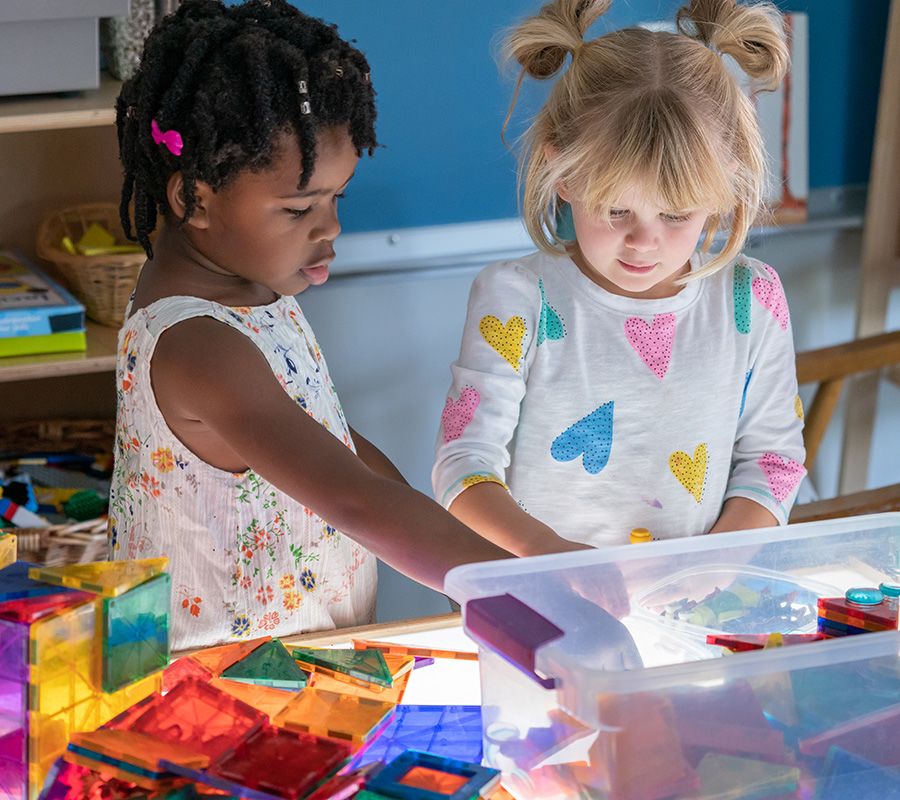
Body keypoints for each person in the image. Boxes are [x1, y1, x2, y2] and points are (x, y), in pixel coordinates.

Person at [107, 0, 515, 651]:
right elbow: (354, 500)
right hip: (221, 683)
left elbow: (333, 444)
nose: (330, 229)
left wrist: (453, 558)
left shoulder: (251, 292)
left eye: (336, 199)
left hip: (297, 660)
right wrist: (512, 587)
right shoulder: (199, 347)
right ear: (193, 199)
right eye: (300, 208)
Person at [433, 0, 806, 554]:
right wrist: (552, 560)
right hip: (537, 593)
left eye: (676, 214)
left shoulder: (752, 296)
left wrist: (710, 565)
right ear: (563, 173)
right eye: (615, 210)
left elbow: (773, 464)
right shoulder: (515, 298)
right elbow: (463, 466)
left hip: (690, 598)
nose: (643, 241)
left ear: (726, 185)